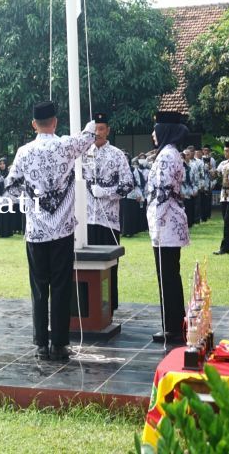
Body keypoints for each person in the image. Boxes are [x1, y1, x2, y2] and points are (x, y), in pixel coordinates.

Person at [5, 101, 97, 362]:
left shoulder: (24, 152)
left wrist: (31, 192)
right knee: (60, 286)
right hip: (63, 229)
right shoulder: (66, 145)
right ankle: (59, 344)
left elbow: (10, 187)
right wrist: (92, 123)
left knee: (39, 288)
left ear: (34, 124)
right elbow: (89, 137)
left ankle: (41, 345)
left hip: (36, 231)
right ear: (55, 122)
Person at [82, 112, 134, 311]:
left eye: (101, 128)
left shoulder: (117, 154)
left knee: (110, 264)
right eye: (95, 129)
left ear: (108, 130)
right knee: (87, 265)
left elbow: (128, 184)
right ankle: (89, 305)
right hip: (87, 218)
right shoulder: (84, 153)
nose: (98, 133)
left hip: (108, 219)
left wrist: (107, 192)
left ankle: (109, 305)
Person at [145, 111, 189, 345]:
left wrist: (155, 225)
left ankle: (172, 327)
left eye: (156, 129)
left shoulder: (166, 156)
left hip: (165, 225)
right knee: (170, 275)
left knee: (168, 277)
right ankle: (174, 324)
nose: (153, 134)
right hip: (170, 223)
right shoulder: (171, 153)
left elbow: (160, 194)